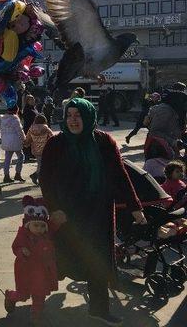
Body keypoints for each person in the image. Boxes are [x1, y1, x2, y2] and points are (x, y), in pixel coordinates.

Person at [40, 98, 145, 327]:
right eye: (69, 115)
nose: (73, 120)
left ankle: (99, 309)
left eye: (78, 115)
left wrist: (135, 206)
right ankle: (35, 296)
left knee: (98, 262)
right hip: (68, 216)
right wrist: (54, 209)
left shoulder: (103, 141)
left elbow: (119, 175)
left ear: (88, 117)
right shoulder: (55, 144)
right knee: (63, 260)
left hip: (98, 214)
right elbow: (45, 180)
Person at [4, 196, 60, 325]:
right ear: (28, 225)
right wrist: (22, 251)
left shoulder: (46, 234)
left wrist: (58, 220)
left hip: (42, 271)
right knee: (23, 295)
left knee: (40, 294)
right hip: (26, 270)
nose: (39, 229)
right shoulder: (23, 234)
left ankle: (36, 314)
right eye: (36, 225)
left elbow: (53, 226)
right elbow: (16, 246)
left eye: (42, 226)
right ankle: (11, 296)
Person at [24, 114, 54, 185]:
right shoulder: (46, 128)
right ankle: (36, 176)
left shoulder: (31, 128)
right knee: (42, 165)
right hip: (45, 149)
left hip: (35, 150)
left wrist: (26, 144)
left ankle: (38, 177)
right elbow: (52, 137)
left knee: (40, 164)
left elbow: (28, 138)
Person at [0, 106, 26, 183]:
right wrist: (24, 139)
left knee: (7, 159)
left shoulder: (2, 118)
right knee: (21, 156)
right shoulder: (15, 119)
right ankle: (17, 173)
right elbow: (20, 131)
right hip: (15, 141)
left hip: (6, 141)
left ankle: (6, 176)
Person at [22, 95, 39, 161]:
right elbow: (27, 119)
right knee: (28, 142)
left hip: (35, 128)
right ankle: (27, 157)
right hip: (28, 128)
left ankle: (32, 155)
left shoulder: (34, 108)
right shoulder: (27, 109)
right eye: (30, 99)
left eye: (33, 99)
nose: (32, 100)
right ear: (27, 101)